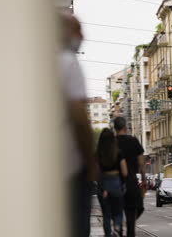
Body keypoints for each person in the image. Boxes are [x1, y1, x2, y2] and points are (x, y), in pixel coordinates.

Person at [58, 12, 97, 237]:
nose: (82, 36)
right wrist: (89, 160)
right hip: (70, 165)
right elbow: (79, 116)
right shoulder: (67, 61)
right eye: (77, 29)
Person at [112, 117, 146, 237]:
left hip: (115, 183)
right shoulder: (133, 141)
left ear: (114, 128)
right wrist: (144, 180)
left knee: (117, 217)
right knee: (132, 216)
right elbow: (142, 164)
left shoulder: (112, 142)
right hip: (131, 183)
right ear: (125, 127)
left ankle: (119, 231)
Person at [96, 128, 128, 237]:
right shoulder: (119, 152)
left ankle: (108, 235)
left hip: (103, 184)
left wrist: (102, 187)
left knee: (106, 214)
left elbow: (96, 173)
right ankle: (117, 227)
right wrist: (122, 184)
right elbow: (124, 172)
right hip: (116, 183)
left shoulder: (98, 154)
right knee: (118, 212)